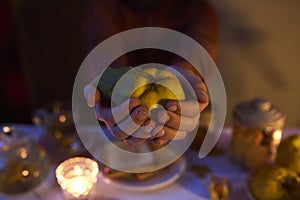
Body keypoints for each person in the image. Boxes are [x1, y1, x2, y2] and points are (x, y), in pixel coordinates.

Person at [82, 0, 218, 146]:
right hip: (116, 130)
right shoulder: (104, 6)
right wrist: (108, 84)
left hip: (183, 130)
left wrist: (189, 69)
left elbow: (200, 47)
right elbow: (103, 47)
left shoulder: (198, 9)